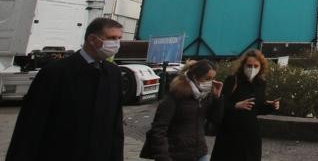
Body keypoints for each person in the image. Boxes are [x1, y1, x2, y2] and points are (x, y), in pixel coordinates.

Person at [6, 18, 125, 160]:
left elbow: (115, 124)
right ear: (92, 39)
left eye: (119, 38)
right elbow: (31, 123)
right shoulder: (57, 72)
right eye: (111, 38)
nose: (116, 43)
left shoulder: (113, 73)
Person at [140, 60, 223, 161]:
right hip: (175, 154)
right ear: (195, 77)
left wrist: (217, 98)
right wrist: (163, 156)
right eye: (208, 78)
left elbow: (215, 119)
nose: (211, 82)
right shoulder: (176, 96)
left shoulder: (204, 96)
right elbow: (158, 129)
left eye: (213, 78)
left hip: (199, 152)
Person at [211, 50, 280, 161]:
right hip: (230, 135)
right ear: (243, 65)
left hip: (251, 135)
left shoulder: (261, 84)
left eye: (255, 66)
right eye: (249, 65)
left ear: (260, 67)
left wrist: (271, 106)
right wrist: (236, 105)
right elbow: (221, 103)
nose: (252, 69)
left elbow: (256, 108)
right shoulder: (233, 80)